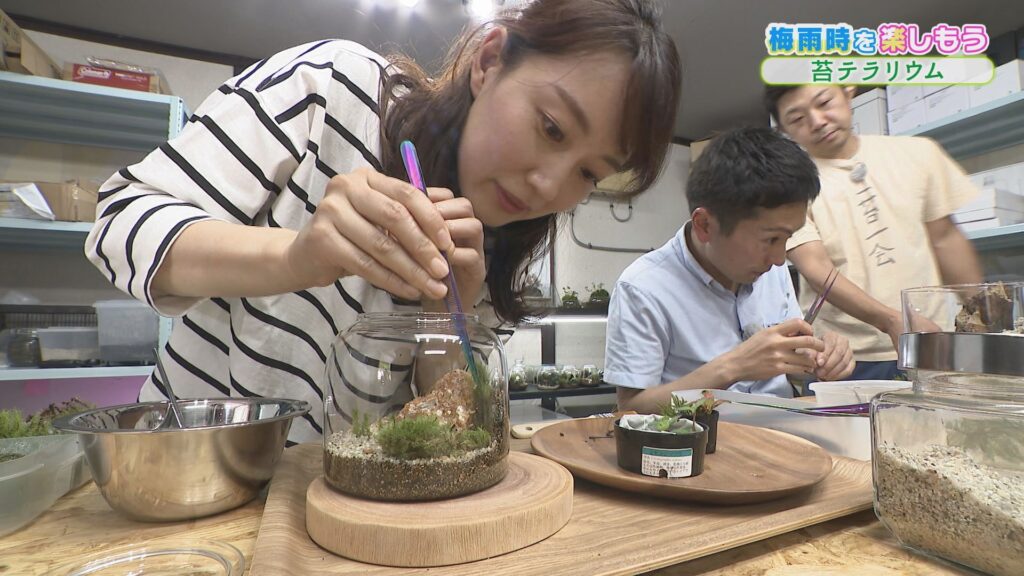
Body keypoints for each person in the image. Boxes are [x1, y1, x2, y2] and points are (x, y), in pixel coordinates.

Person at [84, 0, 682, 442]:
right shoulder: (333, 90)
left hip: (346, 512)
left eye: (588, 174)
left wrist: (445, 319)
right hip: (190, 468)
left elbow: (447, 430)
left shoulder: (498, 253)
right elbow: (119, 221)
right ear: (489, 61)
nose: (549, 187)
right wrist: (295, 258)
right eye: (550, 128)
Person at [606, 127, 854, 414]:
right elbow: (631, 407)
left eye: (787, 237)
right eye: (770, 239)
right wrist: (733, 367)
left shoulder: (767, 268)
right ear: (705, 225)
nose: (778, 259)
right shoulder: (643, 288)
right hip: (704, 437)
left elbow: (791, 360)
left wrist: (820, 356)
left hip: (785, 428)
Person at [764, 84, 983, 380]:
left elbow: (945, 239)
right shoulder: (788, 189)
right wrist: (892, 320)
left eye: (824, 102)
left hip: (932, 339)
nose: (817, 121)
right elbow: (816, 267)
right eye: (798, 119)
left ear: (847, 90)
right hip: (846, 357)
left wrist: (983, 317)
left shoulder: (918, 153)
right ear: (784, 130)